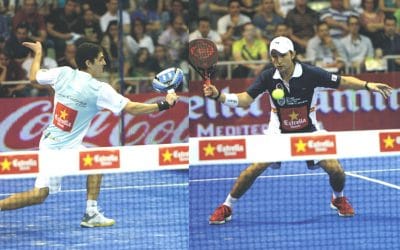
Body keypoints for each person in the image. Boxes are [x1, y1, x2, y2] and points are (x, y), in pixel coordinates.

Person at [204, 36, 392, 225]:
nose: (277, 61)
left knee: (336, 170)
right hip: (278, 133)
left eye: (282, 56)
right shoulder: (268, 77)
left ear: (292, 54)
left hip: (309, 131)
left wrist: (368, 86)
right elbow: (245, 100)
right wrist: (219, 96)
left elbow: (343, 81)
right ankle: (227, 206)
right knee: (253, 169)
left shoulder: (311, 74)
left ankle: (338, 198)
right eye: (273, 56)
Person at [0, 41, 179, 228]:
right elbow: (132, 108)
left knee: (95, 162)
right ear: (88, 62)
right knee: (39, 195)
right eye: (100, 59)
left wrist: (38, 53)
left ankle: (91, 213)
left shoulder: (63, 72)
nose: (104, 63)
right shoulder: (99, 89)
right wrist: (164, 104)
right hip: (57, 150)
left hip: (51, 142)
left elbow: (33, 78)